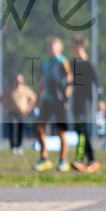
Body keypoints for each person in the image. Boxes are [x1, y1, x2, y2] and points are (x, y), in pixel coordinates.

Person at [33, 36, 72, 172]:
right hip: (48, 100)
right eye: (48, 46)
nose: (49, 48)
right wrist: (37, 98)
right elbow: (42, 81)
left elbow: (69, 80)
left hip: (59, 101)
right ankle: (44, 158)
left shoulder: (63, 61)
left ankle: (63, 161)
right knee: (40, 128)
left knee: (60, 131)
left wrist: (66, 99)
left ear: (59, 47)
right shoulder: (45, 63)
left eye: (52, 46)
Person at [69, 35, 105, 173]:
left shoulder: (88, 64)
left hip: (85, 100)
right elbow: (70, 83)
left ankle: (79, 160)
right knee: (80, 129)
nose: (70, 48)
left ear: (78, 46)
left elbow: (98, 83)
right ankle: (92, 161)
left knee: (81, 128)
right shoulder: (72, 64)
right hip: (75, 100)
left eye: (72, 45)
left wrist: (101, 100)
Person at [0, 73, 37, 155]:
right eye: (17, 81)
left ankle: (19, 146)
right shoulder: (10, 90)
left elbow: (34, 98)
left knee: (20, 129)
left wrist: (28, 108)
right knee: (13, 128)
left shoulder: (26, 90)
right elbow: (0, 98)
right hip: (12, 113)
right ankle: (13, 146)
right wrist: (6, 107)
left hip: (22, 113)